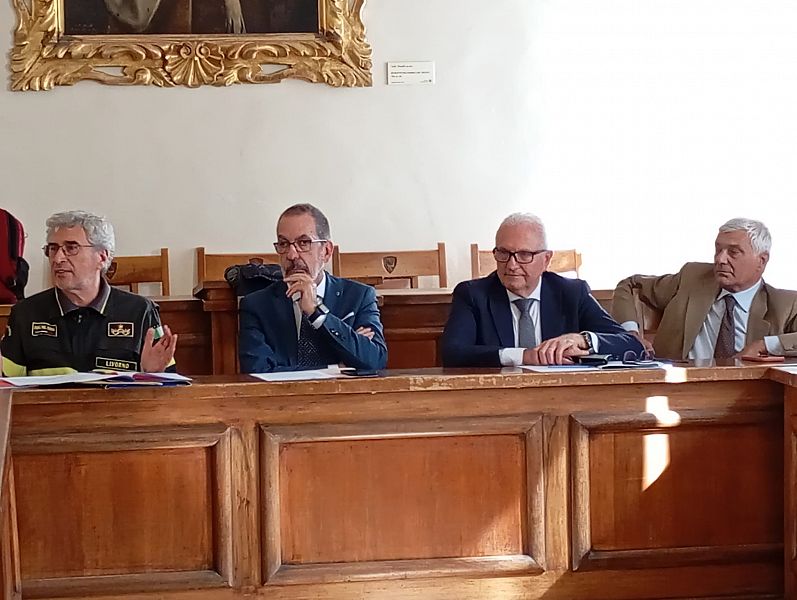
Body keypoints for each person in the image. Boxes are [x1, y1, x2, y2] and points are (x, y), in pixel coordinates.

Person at [441, 213, 642, 367]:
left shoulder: (572, 293)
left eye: (524, 254)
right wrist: (524, 356)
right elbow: (453, 353)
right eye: (503, 253)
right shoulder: (473, 295)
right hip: (496, 398)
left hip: (561, 398)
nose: (511, 265)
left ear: (546, 260)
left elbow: (631, 343)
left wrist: (583, 340)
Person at [1, 211, 177, 376]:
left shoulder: (141, 311)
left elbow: (169, 386)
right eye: (53, 249)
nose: (58, 258)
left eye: (71, 248)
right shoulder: (25, 314)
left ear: (102, 257)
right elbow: (7, 385)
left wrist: (153, 374)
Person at [611, 218, 797, 360]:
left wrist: (764, 345)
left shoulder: (784, 305)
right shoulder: (692, 277)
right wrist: (630, 334)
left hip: (747, 392)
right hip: (678, 385)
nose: (720, 259)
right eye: (718, 250)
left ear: (761, 261)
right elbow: (631, 285)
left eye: (733, 252)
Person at [238, 204, 387, 373]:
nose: (291, 255)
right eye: (283, 244)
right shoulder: (256, 305)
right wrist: (335, 369)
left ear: (326, 251)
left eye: (303, 243)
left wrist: (317, 313)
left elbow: (375, 361)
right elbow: (258, 372)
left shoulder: (359, 297)